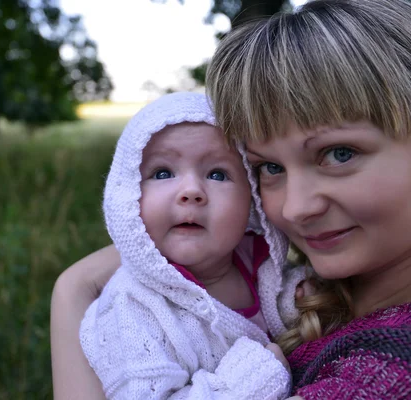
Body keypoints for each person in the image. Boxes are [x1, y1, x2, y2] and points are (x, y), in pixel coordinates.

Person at [52, 0, 411, 398]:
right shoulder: (308, 290)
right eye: (269, 168)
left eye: (338, 154)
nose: (296, 208)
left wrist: (73, 292)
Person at [70, 92, 308, 399]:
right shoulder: (131, 310)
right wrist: (253, 378)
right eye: (163, 173)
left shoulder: (256, 263)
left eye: (217, 174)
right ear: (127, 197)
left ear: (251, 201)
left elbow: (274, 301)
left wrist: (297, 299)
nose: (191, 191)